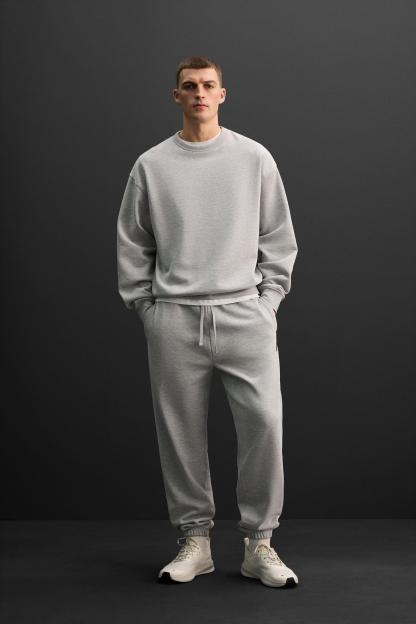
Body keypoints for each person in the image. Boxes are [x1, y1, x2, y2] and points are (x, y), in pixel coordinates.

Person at [116, 56, 299, 588]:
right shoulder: (151, 165)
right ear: (176, 96)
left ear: (222, 94)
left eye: (208, 85)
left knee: (264, 425)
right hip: (174, 318)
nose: (199, 93)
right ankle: (195, 541)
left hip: (245, 313)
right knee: (180, 433)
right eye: (189, 86)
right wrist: (145, 307)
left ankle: (259, 544)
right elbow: (133, 241)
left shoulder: (253, 158)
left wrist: (269, 299)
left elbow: (278, 235)